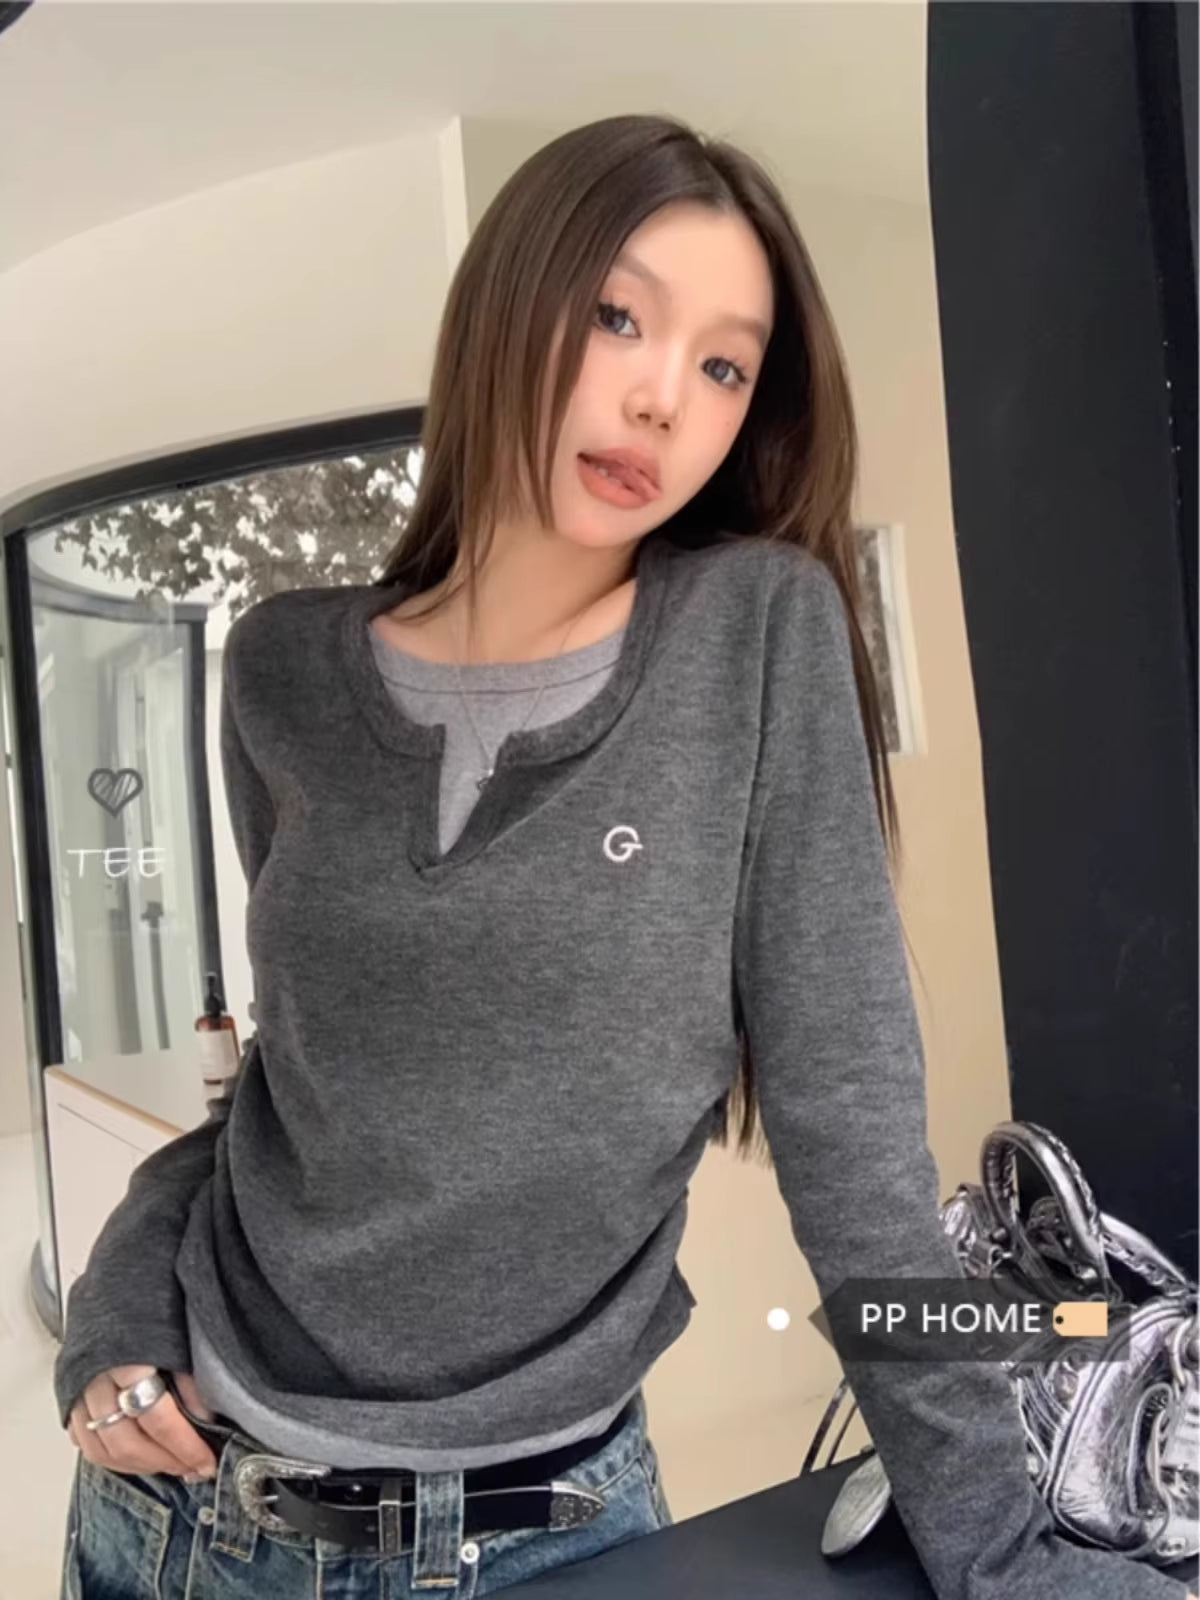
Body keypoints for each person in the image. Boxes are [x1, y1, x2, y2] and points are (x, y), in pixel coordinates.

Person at [53, 112, 1196, 1600]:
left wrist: (998, 1548)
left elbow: (853, 1145)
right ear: (508, 302)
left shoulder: (759, 633)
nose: (662, 397)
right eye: (617, 317)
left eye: (724, 366)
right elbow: (297, 1083)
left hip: (546, 1535)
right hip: (178, 1523)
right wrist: (117, 1301)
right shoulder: (280, 668)